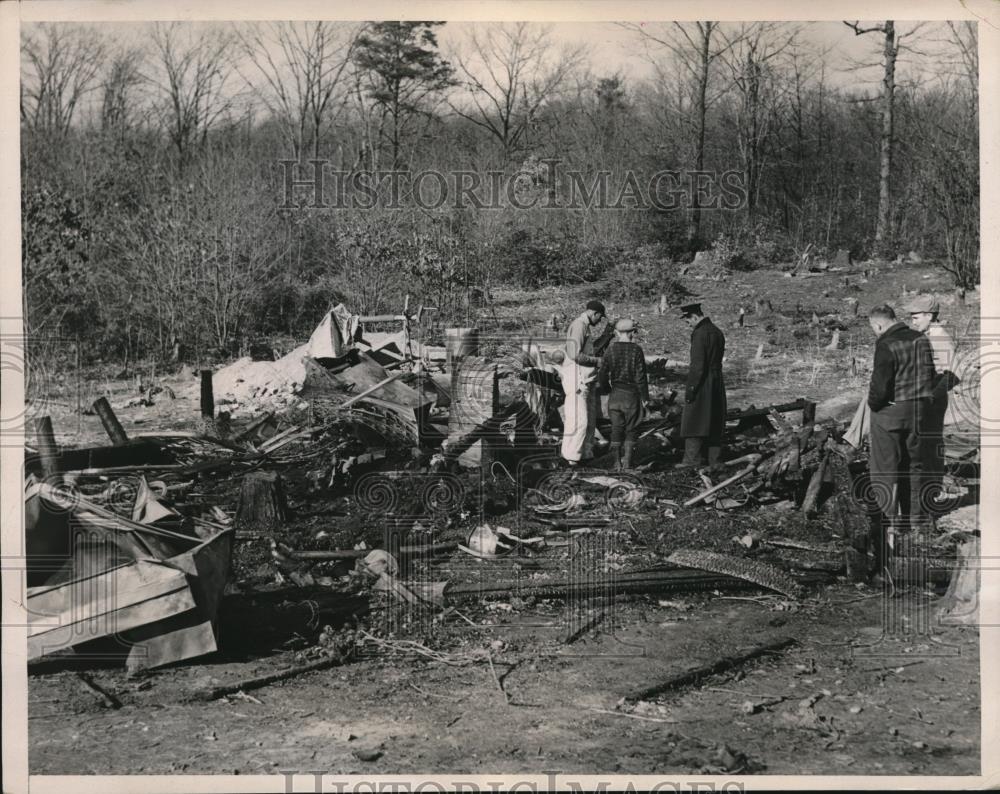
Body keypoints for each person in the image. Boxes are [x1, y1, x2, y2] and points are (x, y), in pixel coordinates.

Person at [866, 303, 936, 568]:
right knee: (915, 465)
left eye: (874, 329)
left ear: (879, 324)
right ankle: (917, 521)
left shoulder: (886, 344)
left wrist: (874, 405)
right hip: (919, 410)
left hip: (891, 414)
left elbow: (880, 387)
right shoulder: (921, 338)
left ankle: (888, 524)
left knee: (885, 468)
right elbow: (930, 374)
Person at [907, 294, 959, 515]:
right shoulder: (926, 335)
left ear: (930, 316)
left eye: (916, 317)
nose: (913, 321)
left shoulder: (939, 337)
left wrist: (931, 397)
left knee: (929, 443)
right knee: (926, 443)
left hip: (934, 399)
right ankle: (929, 491)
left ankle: (932, 492)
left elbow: (952, 374)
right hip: (927, 396)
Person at [677, 301, 727, 469]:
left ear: (694, 316)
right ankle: (716, 460)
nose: (688, 324)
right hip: (717, 381)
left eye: (688, 320)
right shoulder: (717, 332)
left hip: (703, 381)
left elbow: (697, 366)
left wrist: (691, 389)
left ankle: (692, 461)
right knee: (714, 420)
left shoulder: (699, 333)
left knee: (694, 420)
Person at [598, 319, 649, 470]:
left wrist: (607, 389)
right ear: (632, 332)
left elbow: (602, 374)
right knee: (631, 429)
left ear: (617, 333)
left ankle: (616, 462)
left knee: (616, 428)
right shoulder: (636, 350)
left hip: (615, 395)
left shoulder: (611, 349)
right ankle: (627, 462)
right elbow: (641, 377)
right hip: (631, 396)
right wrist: (645, 398)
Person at [560, 300, 606, 465]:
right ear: (594, 313)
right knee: (579, 421)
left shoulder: (584, 326)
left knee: (589, 421)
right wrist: (596, 361)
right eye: (600, 317)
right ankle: (571, 457)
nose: (599, 321)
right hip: (577, 379)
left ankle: (585, 454)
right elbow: (574, 354)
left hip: (585, 379)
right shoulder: (579, 326)